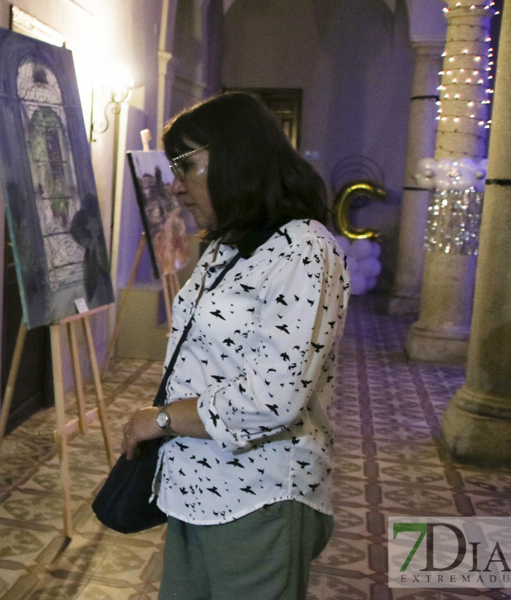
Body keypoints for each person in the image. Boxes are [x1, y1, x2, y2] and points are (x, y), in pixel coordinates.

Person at [119, 92, 350, 600]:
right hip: (195, 485)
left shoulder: (304, 248)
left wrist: (158, 419)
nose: (176, 186)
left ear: (237, 158)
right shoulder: (228, 244)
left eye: (186, 166)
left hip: (260, 494)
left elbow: (273, 398)